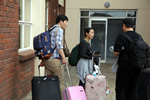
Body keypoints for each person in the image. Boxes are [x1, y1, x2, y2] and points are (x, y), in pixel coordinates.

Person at [114, 18, 143, 100]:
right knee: (133, 90)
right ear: (133, 26)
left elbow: (116, 52)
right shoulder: (139, 36)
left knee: (121, 89)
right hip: (137, 67)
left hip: (125, 67)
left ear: (123, 25)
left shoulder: (121, 36)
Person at [43, 15, 68, 99]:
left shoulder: (50, 30)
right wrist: (63, 57)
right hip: (55, 60)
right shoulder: (59, 30)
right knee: (61, 81)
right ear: (61, 21)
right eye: (66, 22)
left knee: (49, 81)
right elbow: (58, 45)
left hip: (47, 60)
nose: (66, 24)